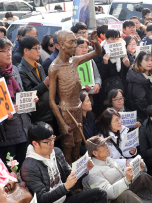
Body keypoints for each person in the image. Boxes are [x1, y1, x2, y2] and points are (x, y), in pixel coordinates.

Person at [21, 122, 127, 203]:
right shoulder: (29, 166)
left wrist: (84, 170)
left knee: (100, 194)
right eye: (47, 142)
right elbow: (42, 199)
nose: (52, 143)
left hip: (65, 200)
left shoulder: (56, 152)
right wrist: (65, 187)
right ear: (35, 143)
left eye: (52, 138)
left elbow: (68, 172)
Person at [48, 30, 102, 163]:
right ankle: (70, 175)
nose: (74, 45)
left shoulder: (75, 61)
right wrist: (62, 122)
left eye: (75, 42)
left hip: (78, 107)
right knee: (68, 145)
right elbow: (52, 101)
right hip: (66, 111)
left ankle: (79, 173)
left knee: (78, 142)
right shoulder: (54, 68)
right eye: (71, 42)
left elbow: (97, 52)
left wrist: (95, 42)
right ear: (61, 44)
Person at [0, 36, 32, 162]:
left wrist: (29, 101)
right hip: (6, 134)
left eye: (9, 49)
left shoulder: (14, 69)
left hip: (23, 128)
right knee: (11, 170)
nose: (8, 53)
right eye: (4, 50)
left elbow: (20, 93)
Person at [18, 36, 53, 126]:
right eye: (36, 48)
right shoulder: (21, 71)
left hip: (48, 111)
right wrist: (45, 84)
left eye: (39, 48)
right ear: (26, 51)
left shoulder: (39, 65)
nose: (39, 51)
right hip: (37, 116)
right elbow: (28, 94)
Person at [126, 52, 152, 123]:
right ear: (140, 62)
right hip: (143, 116)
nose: (150, 63)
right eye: (146, 60)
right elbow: (140, 102)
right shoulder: (137, 78)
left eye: (151, 60)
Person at [80, 91, 97, 156]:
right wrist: (90, 152)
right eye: (87, 101)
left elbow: (95, 133)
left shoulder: (90, 116)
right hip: (84, 154)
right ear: (80, 104)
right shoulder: (76, 121)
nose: (90, 103)